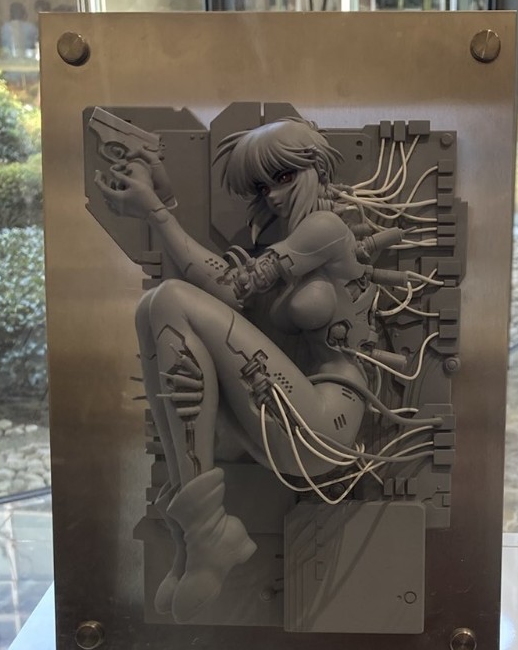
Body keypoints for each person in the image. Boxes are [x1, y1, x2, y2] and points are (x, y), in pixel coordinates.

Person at [96, 119, 379, 622]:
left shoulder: (326, 230)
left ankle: (207, 534)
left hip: (327, 422)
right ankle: (192, 538)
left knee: (171, 298)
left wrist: (157, 212)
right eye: (262, 186)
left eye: (285, 177)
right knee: (151, 311)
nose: (274, 195)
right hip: (285, 414)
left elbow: (231, 288)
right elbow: (227, 295)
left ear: (316, 168)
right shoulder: (277, 241)